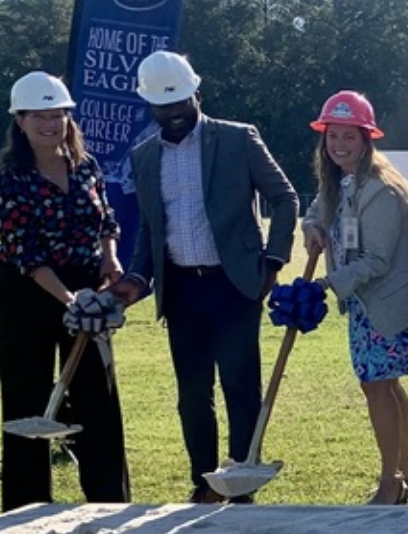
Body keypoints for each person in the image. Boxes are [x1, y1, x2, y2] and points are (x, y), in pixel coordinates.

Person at [108, 51, 299, 504]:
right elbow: (150, 230)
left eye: (179, 103)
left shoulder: (237, 139)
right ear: (149, 106)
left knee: (240, 386)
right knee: (192, 394)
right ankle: (206, 482)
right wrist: (136, 276)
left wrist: (272, 263)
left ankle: (242, 480)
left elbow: (285, 198)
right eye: (162, 106)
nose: (172, 114)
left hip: (234, 285)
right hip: (180, 289)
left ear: (197, 93)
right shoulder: (143, 155)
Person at [0, 71, 131, 510]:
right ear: (21, 121)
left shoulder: (85, 166)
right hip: (28, 292)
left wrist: (110, 259)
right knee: (27, 398)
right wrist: (69, 301)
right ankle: (27, 507)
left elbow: (107, 221)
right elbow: (25, 253)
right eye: (40, 117)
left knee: (98, 396)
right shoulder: (12, 180)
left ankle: (108, 501)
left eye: (58, 116)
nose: (51, 125)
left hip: (86, 286)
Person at [300, 90, 408, 505]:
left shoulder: (381, 189)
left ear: (366, 139)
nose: (339, 145)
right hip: (366, 305)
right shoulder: (339, 180)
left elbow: (376, 261)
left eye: (349, 137)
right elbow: (319, 208)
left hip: (390, 304)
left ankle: (390, 479)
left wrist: (326, 286)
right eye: (333, 136)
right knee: (382, 385)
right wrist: (311, 226)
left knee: (377, 386)